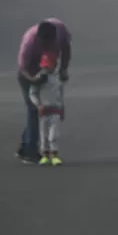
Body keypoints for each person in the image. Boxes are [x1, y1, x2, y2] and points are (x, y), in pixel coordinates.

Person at [16, 18, 72, 163]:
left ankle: (26, 145)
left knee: (43, 109)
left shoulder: (60, 30)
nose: (48, 46)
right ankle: (30, 151)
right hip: (29, 73)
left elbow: (66, 49)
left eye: (50, 43)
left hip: (49, 70)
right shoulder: (30, 42)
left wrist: (63, 69)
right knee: (35, 108)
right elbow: (22, 68)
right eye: (45, 44)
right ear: (39, 39)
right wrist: (34, 80)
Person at [30, 52, 66, 165]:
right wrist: (38, 104)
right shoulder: (39, 78)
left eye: (48, 65)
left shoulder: (57, 79)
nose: (46, 67)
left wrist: (62, 108)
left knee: (53, 134)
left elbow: (60, 94)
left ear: (54, 65)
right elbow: (32, 93)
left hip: (55, 109)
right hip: (43, 110)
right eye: (44, 65)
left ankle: (54, 155)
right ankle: (45, 156)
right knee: (43, 134)